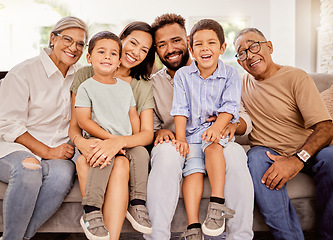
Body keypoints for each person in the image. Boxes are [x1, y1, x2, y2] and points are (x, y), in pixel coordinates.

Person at [145, 13, 254, 240]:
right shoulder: (152, 84)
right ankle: (159, 236)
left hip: (219, 138)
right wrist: (160, 131)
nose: (170, 49)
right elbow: (151, 124)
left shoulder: (228, 74)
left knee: (234, 155)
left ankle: (239, 235)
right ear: (156, 50)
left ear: (186, 42)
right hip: (180, 141)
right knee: (166, 154)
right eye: (162, 45)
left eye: (175, 41)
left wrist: (231, 125)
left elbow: (241, 115)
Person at [234, 27, 333, 240]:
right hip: (268, 153)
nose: (249, 55)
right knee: (255, 158)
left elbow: (326, 128)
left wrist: (297, 160)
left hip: (309, 151)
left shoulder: (296, 76)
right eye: (241, 53)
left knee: (332, 159)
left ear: (269, 46)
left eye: (253, 46)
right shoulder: (239, 84)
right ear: (239, 61)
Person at [0, 16, 88, 240]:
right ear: (52, 38)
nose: (73, 47)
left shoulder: (80, 74)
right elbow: (9, 125)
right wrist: (47, 152)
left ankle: (21, 237)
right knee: (30, 170)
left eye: (80, 43)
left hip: (59, 150)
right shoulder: (24, 72)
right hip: (14, 146)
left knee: (61, 176)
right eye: (67, 39)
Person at [69, 21, 155, 240]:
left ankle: (135, 206)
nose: (136, 52)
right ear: (122, 39)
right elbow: (77, 126)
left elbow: (142, 131)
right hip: (95, 141)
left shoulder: (136, 86)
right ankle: (92, 212)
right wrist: (88, 143)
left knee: (124, 161)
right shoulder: (86, 78)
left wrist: (119, 142)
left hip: (126, 146)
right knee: (101, 159)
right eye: (133, 43)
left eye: (144, 50)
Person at [170, 19, 240, 239]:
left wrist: (218, 127)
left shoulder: (231, 74)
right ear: (191, 49)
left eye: (211, 43)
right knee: (193, 171)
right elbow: (180, 109)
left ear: (222, 48)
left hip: (216, 131)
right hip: (191, 134)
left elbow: (230, 106)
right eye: (198, 44)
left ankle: (217, 204)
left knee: (212, 146)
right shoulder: (182, 75)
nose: (205, 48)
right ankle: (193, 226)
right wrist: (181, 137)